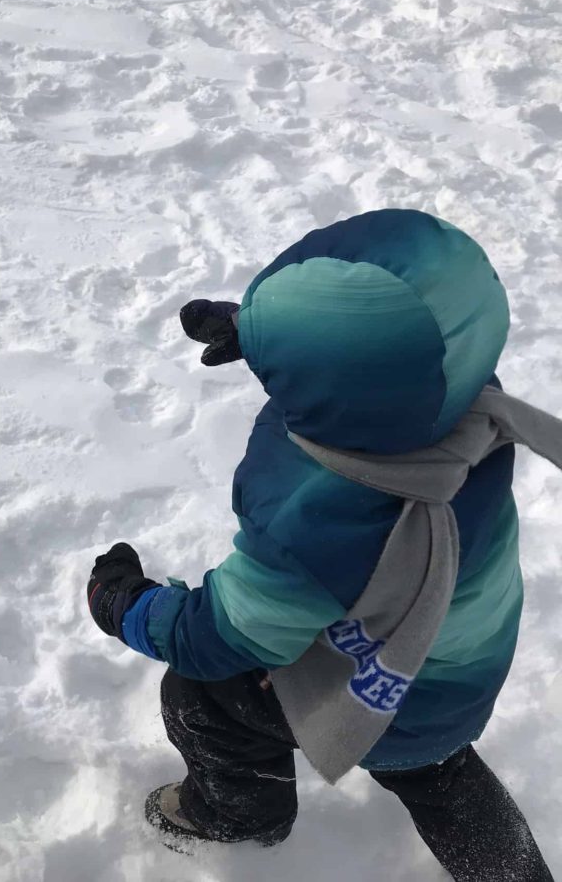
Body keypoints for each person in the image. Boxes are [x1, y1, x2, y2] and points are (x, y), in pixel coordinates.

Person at [87, 209, 555, 881]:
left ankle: (240, 814)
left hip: (391, 681)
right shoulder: (462, 397)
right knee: (441, 770)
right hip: (465, 649)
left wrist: (125, 604)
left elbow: (222, 633)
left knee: (202, 693)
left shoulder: (322, 517)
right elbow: (385, 368)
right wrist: (265, 336)